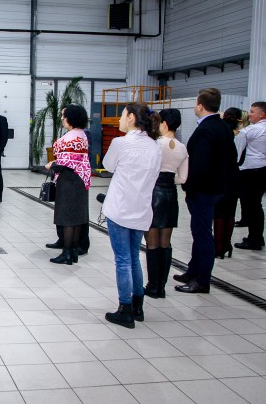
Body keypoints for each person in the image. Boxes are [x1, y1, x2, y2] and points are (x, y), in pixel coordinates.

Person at [102, 103, 162, 328]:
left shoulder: (120, 143)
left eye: (122, 115)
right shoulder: (155, 146)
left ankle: (124, 309)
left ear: (131, 118)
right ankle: (138, 306)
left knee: (123, 260)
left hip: (120, 209)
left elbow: (108, 166)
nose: (119, 119)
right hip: (141, 210)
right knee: (134, 257)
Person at [174, 88, 237, 294]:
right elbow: (232, 158)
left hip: (203, 190)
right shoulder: (222, 126)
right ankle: (193, 270)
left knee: (202, 235)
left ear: (200, 106)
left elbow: (199, 165)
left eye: (195, 103)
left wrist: (188, 187)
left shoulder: (206, 129)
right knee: (199, 231)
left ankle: (202, 280)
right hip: (216, 188)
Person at [144, 109, 188, 299]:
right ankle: (161, 286)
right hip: (171, 194)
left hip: (154, 193)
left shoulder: (154, 144)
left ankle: (153, 286)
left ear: (164, 124)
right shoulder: (182, 148)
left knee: (151, 242)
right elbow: (183, 178)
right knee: (165, 242)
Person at [44, 105, 90, 265]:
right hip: (81, 179)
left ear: (71, 118)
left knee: (67, 218)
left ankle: (67, 253)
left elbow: (66, 162)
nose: (62, 119)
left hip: (69, 181)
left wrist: (51, 165)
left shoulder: (70, 137)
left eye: (64, 116)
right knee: (76, 218)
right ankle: (73, 252)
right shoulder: (82, 134)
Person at [234, 101, 266, 250]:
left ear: (262, 114)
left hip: (251, 171)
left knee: (251, 206)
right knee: (256, 206)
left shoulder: (252, 129)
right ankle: (257, 236)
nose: (249, 114)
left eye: (252, 112)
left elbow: (237, 148)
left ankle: (254, 240)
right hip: (262, 169)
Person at [213, 107, 243, 258]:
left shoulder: (222, 133)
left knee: (219, 211)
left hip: (222, 174)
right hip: (234, 175)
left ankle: (218, 246)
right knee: (230, 212)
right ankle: (226, 244)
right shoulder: (240, 134)